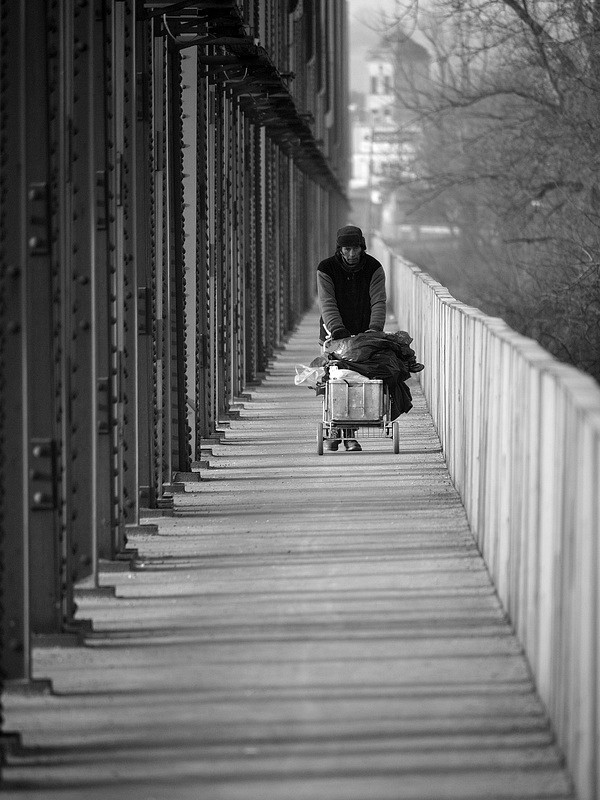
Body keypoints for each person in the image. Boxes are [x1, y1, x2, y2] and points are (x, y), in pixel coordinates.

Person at [316, 225, 387, 452]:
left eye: (355, 248)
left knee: (357, 380)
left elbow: (378, 300)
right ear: (340, 249)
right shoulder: (326, 269)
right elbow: (327, 302)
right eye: (346, 249)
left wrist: (374, 329)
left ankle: (347, 433)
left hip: (363, 332)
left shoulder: (374, 268)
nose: (351, 254)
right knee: (334, 378)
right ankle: (338, 430)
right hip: (334, 332)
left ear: (362, 247)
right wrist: (337, 329)